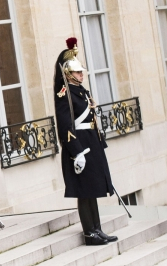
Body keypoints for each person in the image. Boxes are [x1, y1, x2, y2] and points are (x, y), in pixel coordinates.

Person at [54, 37, 117, 246]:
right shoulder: (65, 94)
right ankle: (89, 232)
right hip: (80, 145)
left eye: (81, 72)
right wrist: (76, 152)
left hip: (92, 142)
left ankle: (97, 228)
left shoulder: (81, 91)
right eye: (77, 72)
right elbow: (65, 126)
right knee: (85, 192)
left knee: (93, 190)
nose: (81, 75)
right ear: (67, 74)